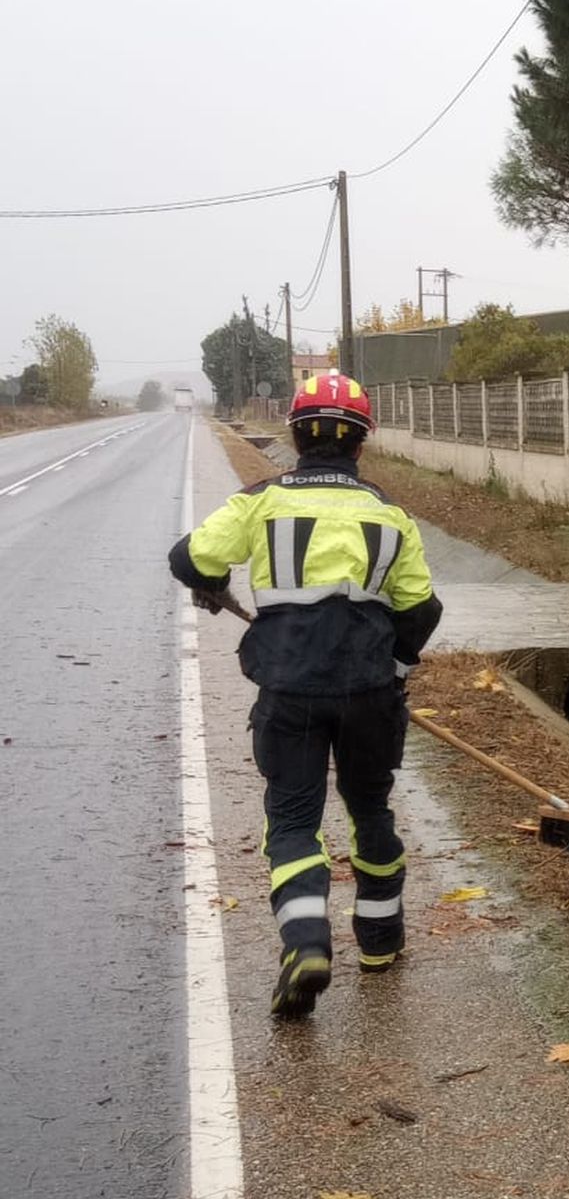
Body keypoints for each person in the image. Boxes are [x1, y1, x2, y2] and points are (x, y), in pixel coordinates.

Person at [169, 371, 442, 1019]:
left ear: (295, 434)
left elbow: (190, 560)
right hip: (369, 693)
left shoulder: (262, 501)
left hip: (288, 691)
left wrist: (211, 584)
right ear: (361, 444)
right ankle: (379, 945)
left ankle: (305, 942)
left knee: (292, 821)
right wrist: (397, 666)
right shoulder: (389, 516)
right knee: (370, 810)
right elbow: (420, 610)